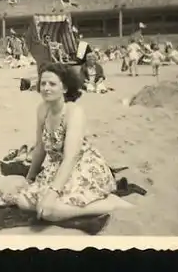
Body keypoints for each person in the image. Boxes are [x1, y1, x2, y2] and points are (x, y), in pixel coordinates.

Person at [16, 63, 132, 223]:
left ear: (64, 88)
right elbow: (40, 148)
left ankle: (110, 204)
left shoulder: (73, 112)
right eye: (43, 83)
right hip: (57, 167)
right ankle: (66, 206)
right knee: (23, 201)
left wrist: (52, 193)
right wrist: (29, 178)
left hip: (82, 165)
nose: (46, 88)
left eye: (52, 84)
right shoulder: (42, 109)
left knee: (50, 211)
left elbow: (71, 157)